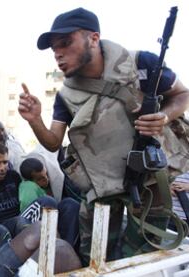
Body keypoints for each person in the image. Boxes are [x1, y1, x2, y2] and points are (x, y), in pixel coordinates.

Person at [18, 7, 189, 264]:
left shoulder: (141, 63)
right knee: (95, 259)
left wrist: (163, 117)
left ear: (94, 39)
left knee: (141, 258)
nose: (58, 54)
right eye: (54, 49)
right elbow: (53, 142)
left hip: (149, 184)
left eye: (65, 43)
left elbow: (182, 95)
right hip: (101, 189)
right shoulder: (66, 96)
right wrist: (35, 121)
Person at [0, 143, 56, 238]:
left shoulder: (13, 177)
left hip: (23, 223)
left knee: (67, 204)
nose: (2, 168)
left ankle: (59, 246)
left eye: (5, 162)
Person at [19, 157, 80, 247]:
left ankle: (67, 247)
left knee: (70, 203)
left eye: (46, 175)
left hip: (51, 220)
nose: (46, 179)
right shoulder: (29, 187)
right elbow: (28, 211)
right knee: (48, 201)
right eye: (40, 179)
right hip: (36, 229)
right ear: (29, 180)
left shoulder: (41, 187)